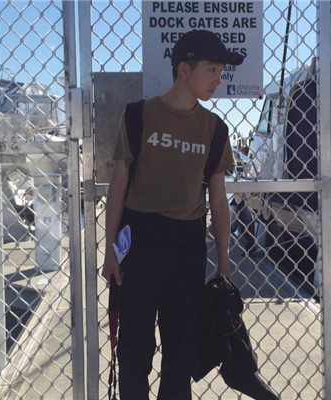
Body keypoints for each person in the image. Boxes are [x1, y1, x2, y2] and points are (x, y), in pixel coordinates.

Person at [102, 29, 244, 400]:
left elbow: (219, 200)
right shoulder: (138, 115)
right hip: (140, 241)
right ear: (184, 70)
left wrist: (224, 262)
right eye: (212, 70)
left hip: (187, 245)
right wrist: (110, 251)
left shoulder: (215, 129)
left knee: (180, 350)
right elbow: (119, 184)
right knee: (134, 348)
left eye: (221, 71)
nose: (218, 79)